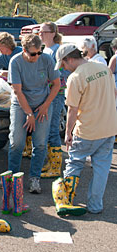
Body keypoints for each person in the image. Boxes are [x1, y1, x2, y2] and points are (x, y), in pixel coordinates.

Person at [52, 44, 117, 215]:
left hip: (87, 129)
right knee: (101, 168)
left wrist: (68, 133)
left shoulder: (76, 77)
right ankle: (95, 206)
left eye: (64, 64)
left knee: (75, 162)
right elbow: (114, 93)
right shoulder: (104, 69)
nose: (64, 68)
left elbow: (72, 109)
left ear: (70, 59)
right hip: (109, 127)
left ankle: (66, 200)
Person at [7, 34, 61, 193]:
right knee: (17, 141)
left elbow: (56, 85)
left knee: (41, 143)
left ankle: (34, 179)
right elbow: (17, 91)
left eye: (39, 52)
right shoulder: (15, 61)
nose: (37, 56)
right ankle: (13, 177)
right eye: (33, 54)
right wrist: (29, 114)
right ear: (24, 50)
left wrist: (45, 106)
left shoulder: (46, 60)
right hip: (21, 104)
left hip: (42, 104)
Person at [39, 21, 68, 178]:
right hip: (48, 93)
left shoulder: (58, 50)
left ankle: (56, 166)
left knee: (52, 129)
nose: (40, 34)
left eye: (43, 32)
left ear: (53, 33)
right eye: (39, 32)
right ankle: (51, 162)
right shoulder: (47, 49)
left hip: (56, 94)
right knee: (48, 128)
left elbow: (63, 73)